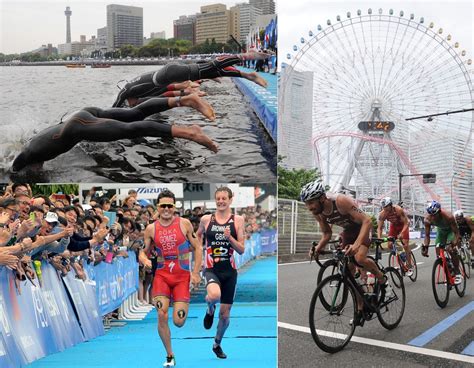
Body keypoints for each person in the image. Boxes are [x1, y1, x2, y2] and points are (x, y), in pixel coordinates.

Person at [11, 95, 218, 172]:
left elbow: (14, 168)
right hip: (82, 114)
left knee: (129, 130)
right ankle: (186, 100)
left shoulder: (27, 156)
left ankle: (190, 133)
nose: (35, 170)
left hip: (78, 125)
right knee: (134, 114)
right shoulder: (35, 144)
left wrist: (12, 170)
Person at [300, 180, 391, 325]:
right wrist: (318, 248)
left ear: (322, 198)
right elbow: (327, 233)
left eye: (311, 202)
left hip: (363, 228)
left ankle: (382, 279)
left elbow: (367, 221)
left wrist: (356, 245)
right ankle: (360, 309)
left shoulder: (340, 201)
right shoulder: (318, 212)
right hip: (348, 232)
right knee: (348, 272)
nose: (309, 207)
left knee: (359, 258)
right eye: (306, 203)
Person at [139, 190, 202, 367]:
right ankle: (169, 355)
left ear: (174, 207)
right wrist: (144, 260)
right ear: (157, 208)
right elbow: (143, 252)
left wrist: (195, 272)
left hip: (182, 277)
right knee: (161, 314)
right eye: (163, 206)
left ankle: (179, 314)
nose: (166, 209)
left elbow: (197, 248)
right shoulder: (151, 228)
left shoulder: (185, 224)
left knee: (178, 321)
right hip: (162, 277)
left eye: (169, 206)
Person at [112, 51, 271, 107]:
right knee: (208, 71)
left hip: (169, 74)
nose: (132, 105)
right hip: (168, 74)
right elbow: (166, 92)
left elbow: (115, 107)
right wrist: (185, 92)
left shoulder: (126, 91)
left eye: (131, 103)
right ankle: (247, 75)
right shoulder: (139, 91)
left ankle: (246, 56)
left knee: (210, 67)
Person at [197, 187, 245, 359]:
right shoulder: (206, 219)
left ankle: (217, 344)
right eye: (218, 198)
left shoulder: (238, 220)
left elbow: (241, 250)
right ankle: (210, 310)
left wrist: (229, 238)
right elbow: (197, 238)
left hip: (230, 272)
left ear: (230, 200)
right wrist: (199, 256)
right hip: (211, 269)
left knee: (224, 316)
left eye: (224, 198)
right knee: (214, 295)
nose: (221, 201)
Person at [422, 201, 463, 284]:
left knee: (450, 249)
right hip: (441, 232)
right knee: (438, 254)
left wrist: (454, 242)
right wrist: (426, 247)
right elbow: (427, 235)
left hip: (451, 231)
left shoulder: (449, 216)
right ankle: (449, 269)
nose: (432, 217)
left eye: (434, 215)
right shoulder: (427, 220)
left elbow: (456, 233)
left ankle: (457, 272)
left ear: (439, 212)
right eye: (430, 214)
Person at [377, 197, 414, 275]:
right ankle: (400, 255)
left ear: (390, 205)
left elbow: (407, 223)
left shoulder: (398, 210)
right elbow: (379, 228)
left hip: (403, 225)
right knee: (390, 245)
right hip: (394, 226)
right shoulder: (382, 214)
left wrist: (401, 233)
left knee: (406, 245)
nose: (385, 209)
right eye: (384, 207)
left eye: (386, 207)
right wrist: (379, 238)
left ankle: (409, 265)